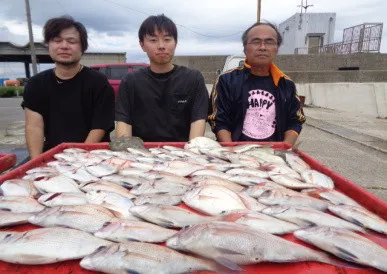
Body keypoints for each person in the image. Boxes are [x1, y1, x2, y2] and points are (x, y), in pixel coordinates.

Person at [22, 16, 115, 159]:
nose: (64, 46)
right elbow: (34, 127)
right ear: (48, 45)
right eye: (57, 41)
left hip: (93, 156)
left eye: (71, 41)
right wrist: (36, 161)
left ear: (83, 48)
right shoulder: (36, 84)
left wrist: (77, 160)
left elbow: (99, 127)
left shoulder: (98, 82)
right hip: (53, 155)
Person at [208, 22, 305, 146]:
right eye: (256, 41)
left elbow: (296, 120)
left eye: (269, 42)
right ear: (245, 48)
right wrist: (231, 152)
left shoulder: (287, 84)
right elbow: (218, 120)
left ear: (277, 48)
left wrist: (283, 149)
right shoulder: (226, 81)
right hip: (235, 154)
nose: (262, 47)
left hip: (274, 155)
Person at [115, 14, 209, 142]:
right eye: (153, 40)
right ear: (142, 45)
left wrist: (192, 153)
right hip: (141, 154)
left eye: (167, 39)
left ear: (175, 43)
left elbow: (198, 121)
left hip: (183, 153)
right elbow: (124, 124)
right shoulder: (130, 81)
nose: (161, 46)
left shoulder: (193, 78)